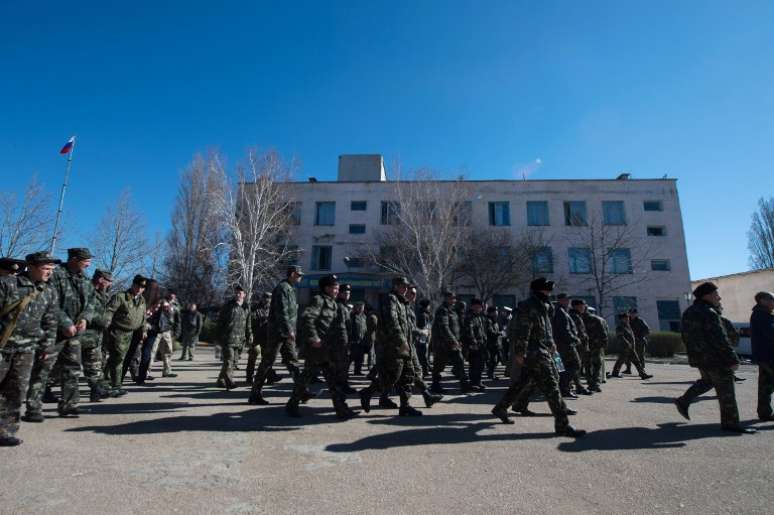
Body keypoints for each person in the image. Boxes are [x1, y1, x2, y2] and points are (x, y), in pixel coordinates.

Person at [491, 278, 586, 438]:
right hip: (534, 352)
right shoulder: (527, 306)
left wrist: (551, 344)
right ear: (538, 291)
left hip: (543, 349)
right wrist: (520, 353)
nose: (549, 293)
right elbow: (523, 330)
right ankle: (563, 425)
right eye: (546, 291)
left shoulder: (544, 306)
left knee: (522, 383)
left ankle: (501, 408)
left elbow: (545, 329)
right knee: (553, 387)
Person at [675, 282, 755, 434]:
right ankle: (730, 423)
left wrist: (695, 355)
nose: (719, 297)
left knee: (708, 381)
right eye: (716, 294)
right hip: (715, 358)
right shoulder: (709, 313)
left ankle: (683, 400)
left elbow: (685, 336)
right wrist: (732, 359)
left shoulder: (689, 312)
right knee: (726, 391)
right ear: (707, 295)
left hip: (700, 358)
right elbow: (720, 338)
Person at [26, 247, 95, 420]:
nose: (88, 264)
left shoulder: (85, 279)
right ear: (73, 259)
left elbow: (92, 302)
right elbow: (49, 302)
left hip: (75, 333)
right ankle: (33, 408)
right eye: (85, 260)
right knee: (42, 369)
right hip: (54, 331)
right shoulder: (56, 275)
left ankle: (69, 405)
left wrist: (85, 318)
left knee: (72, 369)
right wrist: (65, 322)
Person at [0, 252, 59, 446]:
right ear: (31, 266)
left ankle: (5, 431)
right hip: (2, 346)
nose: (49, 273)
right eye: (45, 268)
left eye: (51, 269)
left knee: (16, 391)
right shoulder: (9, 284)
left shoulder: (48, 292)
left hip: (26, 350)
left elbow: (50, 322)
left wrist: (47, 347)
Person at [286, 274, 355, 419]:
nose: (337, 290)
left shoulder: (333, 303)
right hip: (316, 350)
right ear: (326, 288)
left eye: (337, 288)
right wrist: (314, 338)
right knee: (306, 378)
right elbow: (307, 317)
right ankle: (292, 405)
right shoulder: (319, 300)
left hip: (328, 349)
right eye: (334, 288)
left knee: (333, 381)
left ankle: (341, 409)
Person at [359, 277, 422, 416]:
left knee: (408, 375)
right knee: (391, 377)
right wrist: (401, 342)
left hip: (405, 346)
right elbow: (392, 322)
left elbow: (406, 326)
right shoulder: (391, 299)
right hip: (394, 346)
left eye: (406, 286)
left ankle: (405, 406)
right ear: (395, 286)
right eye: (402, 286)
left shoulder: (403, 302)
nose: (405, 289)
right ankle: (367, 393)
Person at [248, 266, 304, 405]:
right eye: (298, 274)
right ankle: (255, 394)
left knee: (292, 361)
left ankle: (302, 391)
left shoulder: (290, 289)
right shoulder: (283, 288)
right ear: (292, 274)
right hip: (278, 333)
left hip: (286, 333)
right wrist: (289, 330)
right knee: (267, 362)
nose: (300, 277)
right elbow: (282, 312)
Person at [104, 275, 147, 392]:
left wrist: (143, 330)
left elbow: (143, 317)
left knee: (117, 358)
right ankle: (116, 386)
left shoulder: (142, 300)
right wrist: (106, 323)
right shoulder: (120, 297)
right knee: (118, 359)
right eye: (138, 285)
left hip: (132, 334)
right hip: (118, 332)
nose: (140, 288)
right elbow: (109, 311)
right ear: (133, 284)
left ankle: (104, 379)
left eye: (143, 287)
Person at [81, 269, 115, 401]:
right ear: (101, 280)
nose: (109, 284)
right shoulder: (87, 290)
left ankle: (97, 391)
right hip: (84, 333)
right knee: (63, 367)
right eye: (108, 281)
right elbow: (85, 310)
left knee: (95, 364)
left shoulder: (103, 294)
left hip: (95, 335)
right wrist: (102, 321)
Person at [430, 290, 472, 394]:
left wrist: (458, 340)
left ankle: (464, 386)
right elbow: (444, 327)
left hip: (453, 344)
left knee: (460, 362)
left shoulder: (453, 311)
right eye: (451, 298)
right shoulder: (442, 310)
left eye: (454, 298)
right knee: (439, 365)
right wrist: (453, 340)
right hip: (443, 344)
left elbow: (457, 327)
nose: (453, 300)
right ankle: (435, 385)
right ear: (446, 298)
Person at [552, 293, 590, 396]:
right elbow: (565, 331)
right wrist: (575, 339)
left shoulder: (558, 311)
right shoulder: (561, 312)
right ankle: (564, 388)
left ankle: (565, 388)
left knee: (561, 367)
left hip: (557, 345)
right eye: (566, 300)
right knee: (574, 365)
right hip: (565, 345)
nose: (568, 302)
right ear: (561, 300)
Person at [216, 285, 251, 389]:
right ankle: (230, 381)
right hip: (228, 338)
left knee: (234, 362)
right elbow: (220, 322)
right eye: (236, 293)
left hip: (240, 340)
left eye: (240, 293)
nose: (237, 295)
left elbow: (248, 324)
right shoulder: (228, 306)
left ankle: (220, 380)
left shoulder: (246, 307)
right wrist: (218, 337)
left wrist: (250, 336)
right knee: (229, 360)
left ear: (244, 295)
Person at [750, 291, 774, 421]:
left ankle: (764, 412)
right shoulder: (761, 316)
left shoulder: (764, 315)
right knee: (766, 385)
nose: (773, 302)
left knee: (766, 385)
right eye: (772, 299)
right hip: (768, 355)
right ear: (763, 301)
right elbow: (771, 335)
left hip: (765, 356)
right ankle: (764, 412)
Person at [610, 312, 653, 380]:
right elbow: (620, 336)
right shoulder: (620, 326)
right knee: (620, 361)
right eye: (626, 318)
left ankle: (643, 374)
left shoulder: (627, 325)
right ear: (622, 319)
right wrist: (627, 343)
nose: (628, 319)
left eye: (627, 318)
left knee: (637, 361)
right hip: (625, 348)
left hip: (631, 348)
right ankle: (615, 373)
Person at [143, 299, 178, 380]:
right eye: (164, 306)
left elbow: (174, 321)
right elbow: (147, 319)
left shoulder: (170, 311)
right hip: (156, 332)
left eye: (167, 306)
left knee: (168, 351)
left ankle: (167, 371)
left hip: (166, 332)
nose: (166, 307)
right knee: (152, 352)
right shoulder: (154, 310)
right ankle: (146, 372)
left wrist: (174, 331)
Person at [575, 300, 605, 393]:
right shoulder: (578, 319)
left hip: (591, 346)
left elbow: (602, 333)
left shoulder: (592, 319)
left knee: (592, 365)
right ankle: (592, 383)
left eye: (582, 307)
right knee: (591, 365)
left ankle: (593, 383)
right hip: (588, 346)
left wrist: (602, 343)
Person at [463, 298, 488, 391]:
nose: (479, 308)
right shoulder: (470, 317)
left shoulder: (479, 317)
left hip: (481, 344)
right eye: (477, 306)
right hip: (474, 345)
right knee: (474, 365)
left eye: (480, 307)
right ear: (472, 306)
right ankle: (473, 383)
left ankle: (478, 381)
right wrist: (473, 342)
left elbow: (482, 331)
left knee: (481, 364)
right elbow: (470, 331)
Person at [246, 293, 271, 384]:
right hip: (256, 336)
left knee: (266, 358)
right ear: (262, 298)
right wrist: (250, 334)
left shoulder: (272, 310)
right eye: (265, 298)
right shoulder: (255, 308)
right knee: (253, 356)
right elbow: (250, 321)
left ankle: (267, 376)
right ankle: (249, 376)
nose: (267, 300)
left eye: (269, 298)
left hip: (266, 337)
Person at [625, 309, 651, 374]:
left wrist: (640, 336)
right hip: (630, 341)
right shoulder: (627, 321)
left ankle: (642, 370)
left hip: (640, 341)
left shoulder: (640, 321)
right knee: (627, 355)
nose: (632, 315)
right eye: (630, 313)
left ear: (636, 314)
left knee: (640, 356)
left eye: (633, 313)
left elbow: (647, 330)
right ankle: (628, 369)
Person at [348, 301, 368, 376]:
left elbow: (365, 328)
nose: (361, 309)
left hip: (362, 341)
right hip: (354, 341)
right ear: (356, 308)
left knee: (360, 358)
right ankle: (344, 373)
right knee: (350, 358)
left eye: (362, 307)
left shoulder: (364, 316)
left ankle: (357, 371)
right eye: (359, 307)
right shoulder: (352, 316)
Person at [414, 299, 432, 377]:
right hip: (422, 338)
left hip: (422, 337)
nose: (430, 307)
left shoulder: (421, 313)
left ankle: (425, 369)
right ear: (426, 306)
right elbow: (425, 327)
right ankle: (425, 371)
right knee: (423, 355)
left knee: (423, 355)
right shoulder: (423, 315)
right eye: (429, 306)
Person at [485, 306, 502, 380]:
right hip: (491, 344)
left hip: (496, 344)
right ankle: (491, 374)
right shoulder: (488, 321)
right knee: (493, 360)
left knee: (497, 359)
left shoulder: (494, 320)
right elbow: (490, 332)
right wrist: (499, 333)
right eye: (495, 311)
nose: (497, 312)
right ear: (491, 313)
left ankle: (491, 372)